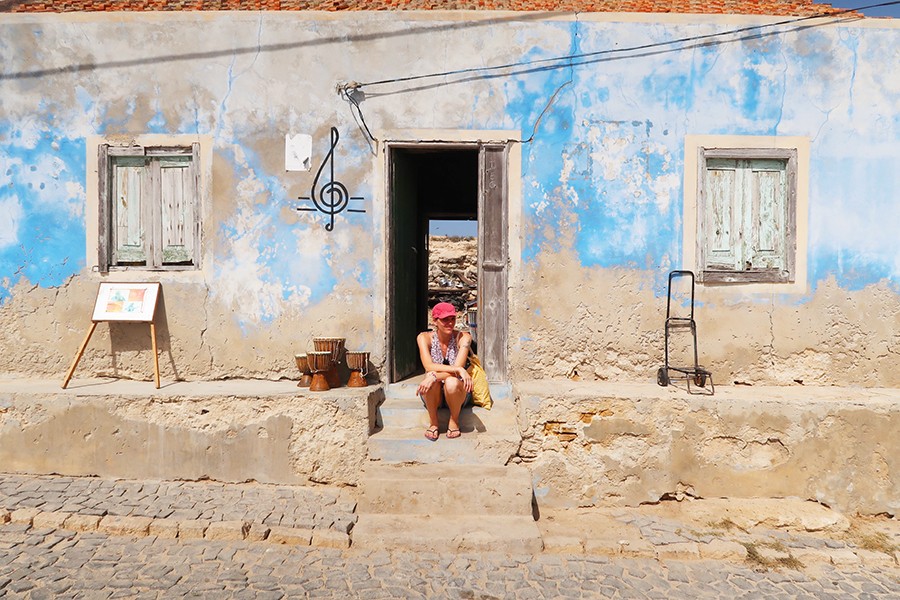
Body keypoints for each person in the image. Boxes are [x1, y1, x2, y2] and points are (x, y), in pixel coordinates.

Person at [416, 302, 474, 441]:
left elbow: (456, 373)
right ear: (435, 321)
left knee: (451, 382)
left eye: (452, 319)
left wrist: (435, 375)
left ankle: (454, 420)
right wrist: (457, 369)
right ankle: (434, 422)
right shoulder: (424, 338)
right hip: (433, 394)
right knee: (430, 380)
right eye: (444, 319)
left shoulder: (463, 337)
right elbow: (429, 365)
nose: (449, 323)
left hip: (457, 393)